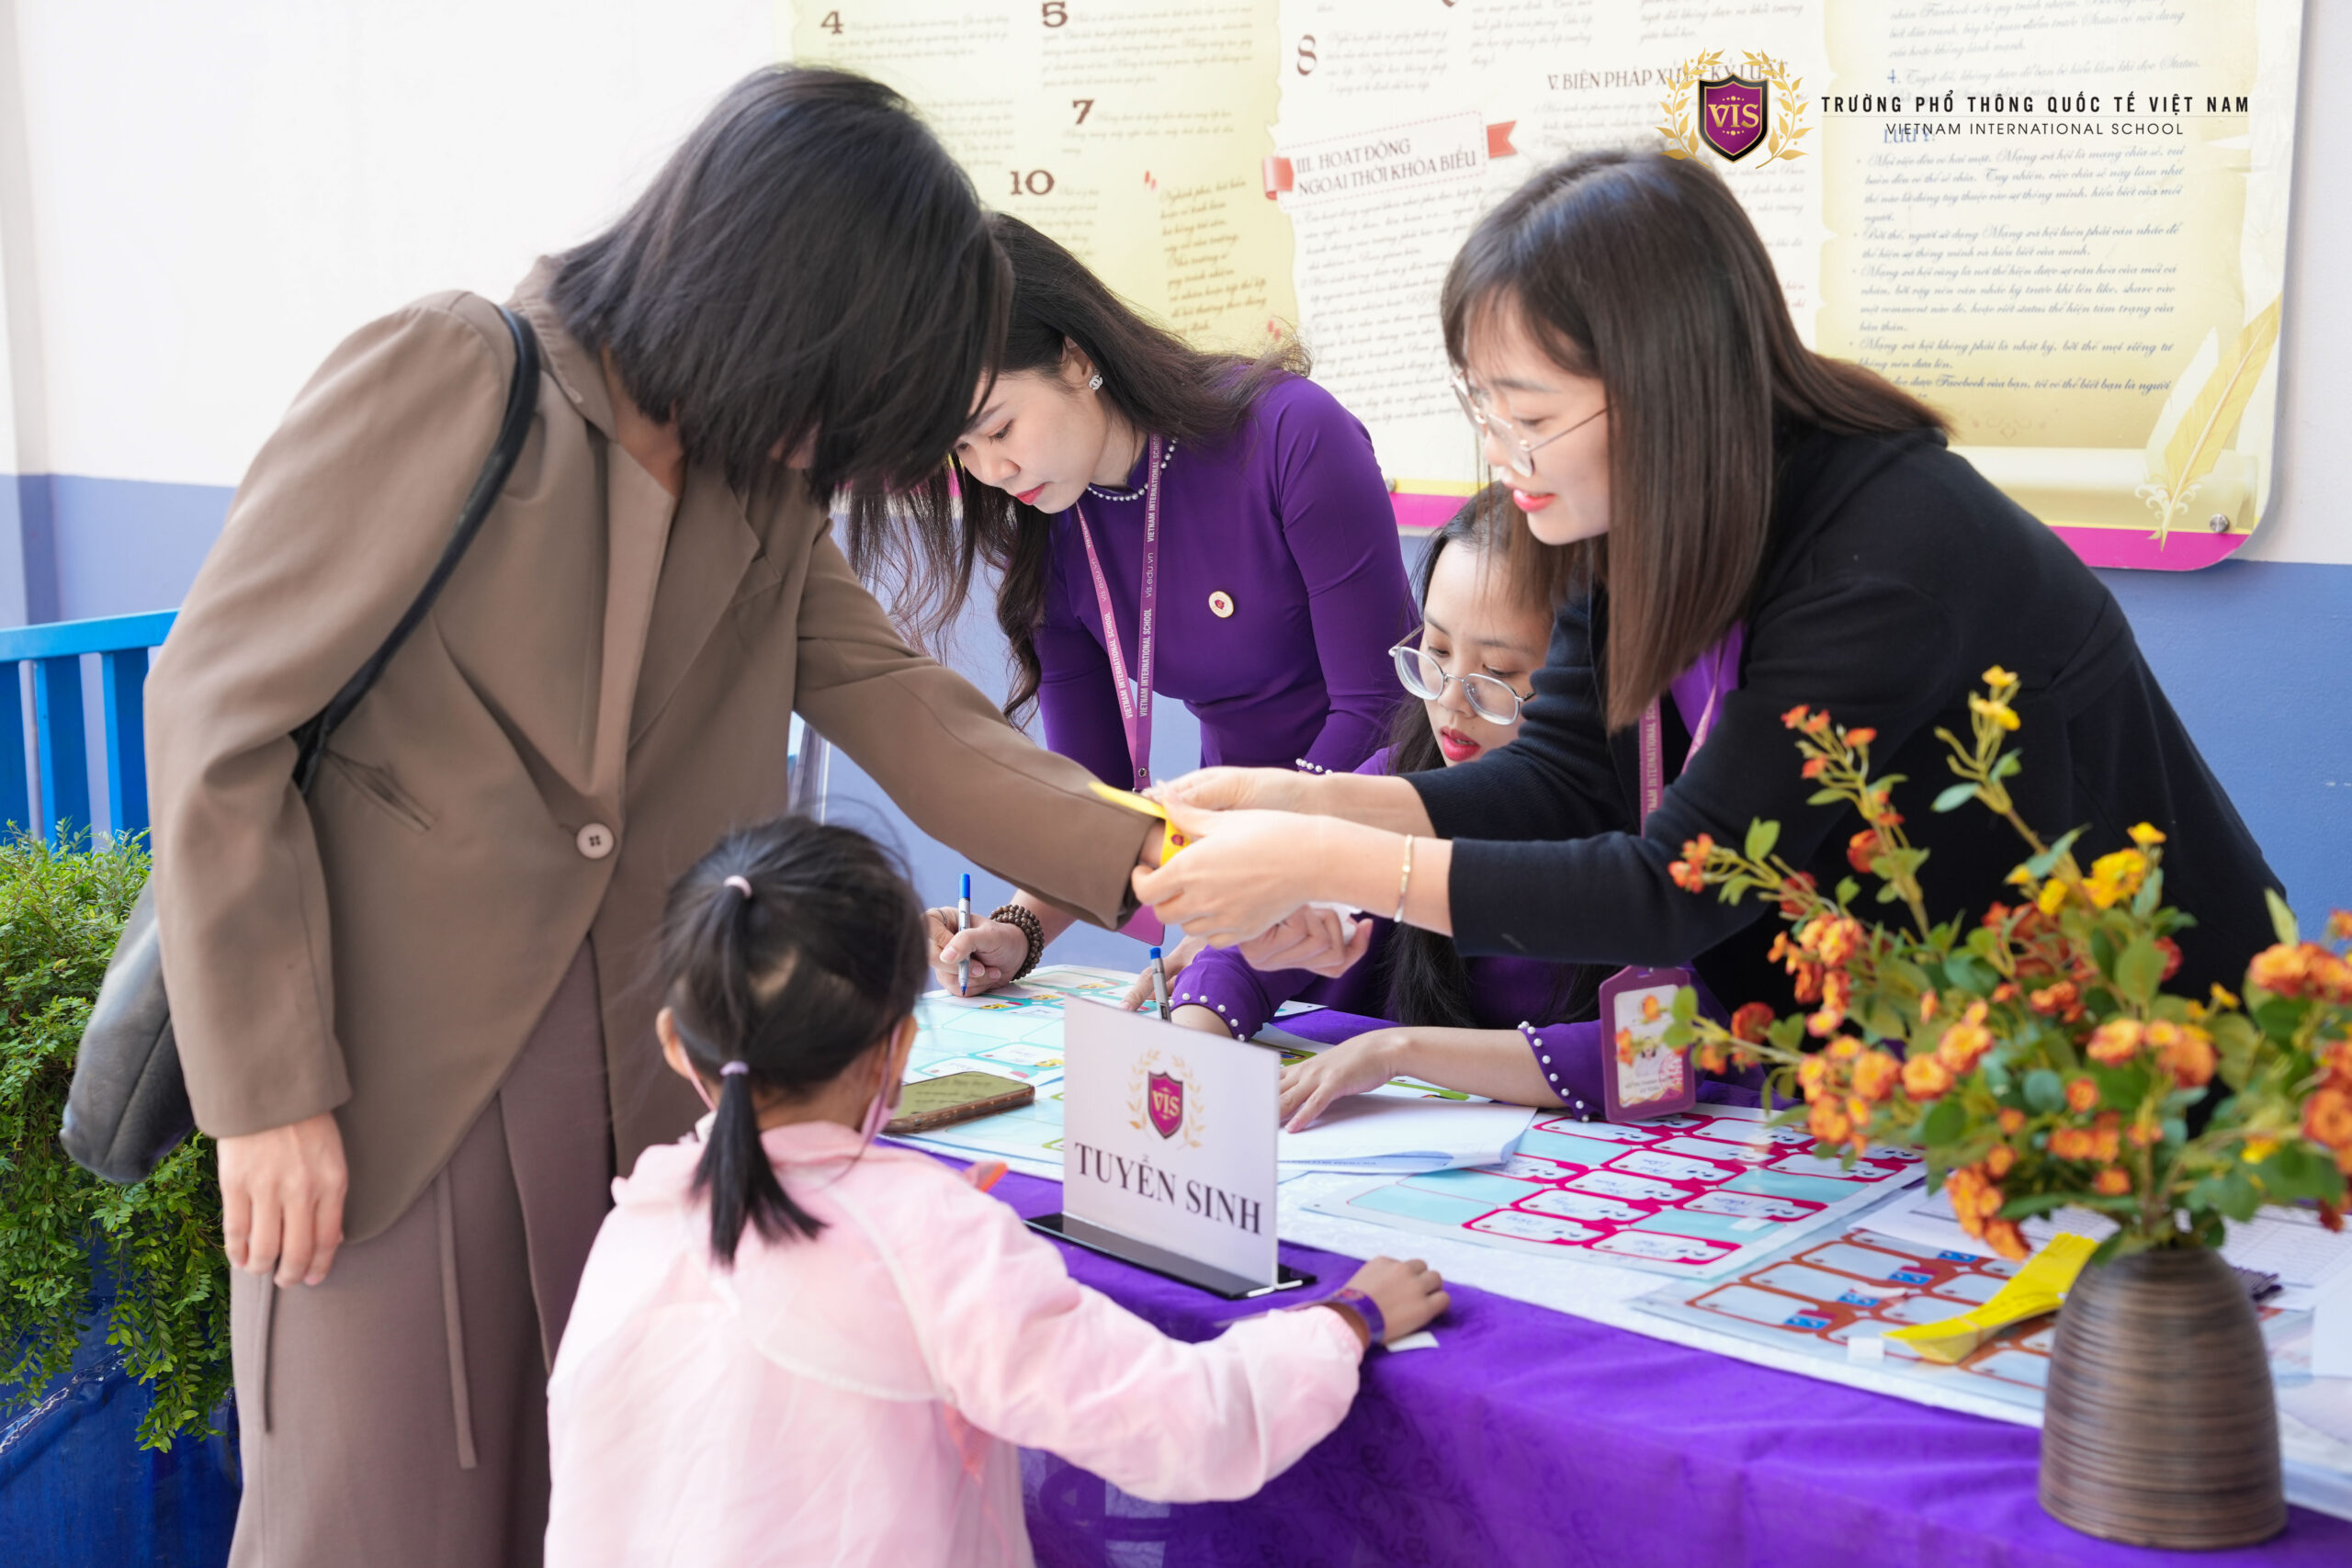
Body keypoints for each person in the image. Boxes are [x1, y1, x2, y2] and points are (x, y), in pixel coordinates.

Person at [150, 69, 1172, 1567]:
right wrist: (263, 1093)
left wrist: (1165, 855)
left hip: (650, 1118)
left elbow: (901, 701)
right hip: (388, 1111)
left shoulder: (761, 482)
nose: (856, 444)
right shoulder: (455, 372)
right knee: (372, 1526)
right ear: (785, 298)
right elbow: (215, 715)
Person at [1128, 148, 2283, 1046]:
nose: (1501, 454)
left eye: (1528, 416)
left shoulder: (1886, 553)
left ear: (1662, 392)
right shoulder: (1628, 521)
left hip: (2146, 1049)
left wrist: (1322, 862)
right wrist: (1308, 803)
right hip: (1933, 1057)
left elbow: (1679, 885)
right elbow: (1560, 781)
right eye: (1483, 409)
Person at [543, 816, 1447, 1567]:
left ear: (677, 1043)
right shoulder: (928, 1236)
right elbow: (1183, 1424)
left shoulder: (635, 1221)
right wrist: (1345, 1321)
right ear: (901, 1047)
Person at [862, 215, 1415, 1000]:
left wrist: (1255, 873)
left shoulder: (1292, 435)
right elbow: (1094, 790)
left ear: (1075, 357)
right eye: (964, 449)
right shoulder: (1053, 529)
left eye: (1000, 428)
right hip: (1245, 891)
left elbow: (1382, 706)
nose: (991, 470)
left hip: (1384, 859)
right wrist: (1017, 930)